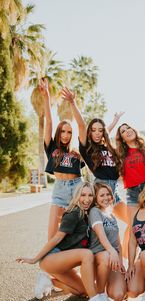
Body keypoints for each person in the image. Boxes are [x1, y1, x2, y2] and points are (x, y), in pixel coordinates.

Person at [16, 182, 116, 301]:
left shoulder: (89, 214)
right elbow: (56, 238)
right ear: (77, 196)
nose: (86, 199)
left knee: (83, 291)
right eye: (83, 195)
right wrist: (34, 259)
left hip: (63, 264)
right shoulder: (74, 213)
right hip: (51, 259)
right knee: (86, 255)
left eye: (90, 195)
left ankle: (49, 281)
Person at [61, 88, 128, 238]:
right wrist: (72, 102)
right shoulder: (87, 148)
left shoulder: (108, 147)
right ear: (89, 132)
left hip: (113, 192)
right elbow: (81, 125)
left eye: (100, 130)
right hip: (99, 190)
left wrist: (115, 121)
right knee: (103, 232)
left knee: (132, 223)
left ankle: (125, 259)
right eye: (94, 130)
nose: (97, 133)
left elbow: (107, 131)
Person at [40, 79, 84, 240]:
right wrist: (46, 97)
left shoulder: (76, 153)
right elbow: (49, 122)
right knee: (52, 236)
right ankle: (55, 262)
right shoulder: (51, 147)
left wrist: (72, 102)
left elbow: (82, 128)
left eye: (69, 132)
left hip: (77, 189)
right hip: (59, 190)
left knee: (78, 232)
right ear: (59, 132)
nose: (66, 135)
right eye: (63, 131)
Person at [115, 123, 145, 256]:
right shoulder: (120, 154)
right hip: (132, 193)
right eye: (123, 131)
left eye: (128, 128)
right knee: (133, 228)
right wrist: (115, 121)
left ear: (134, 130)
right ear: (122, 138)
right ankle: (129, 262)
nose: (127, 131)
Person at [89, 182, 127, 301]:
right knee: (105, 255)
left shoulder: (111, 215)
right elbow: (101, 235)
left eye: (108, 194)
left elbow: (118, 243)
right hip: (100, 256)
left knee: (118, 295)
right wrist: (112, 251)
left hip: (114, 260)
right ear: (96, 198)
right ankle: (100, 295)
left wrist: (121, 262)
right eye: (101, 195)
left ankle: (105, 289)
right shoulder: (95, 211)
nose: (106, 198)